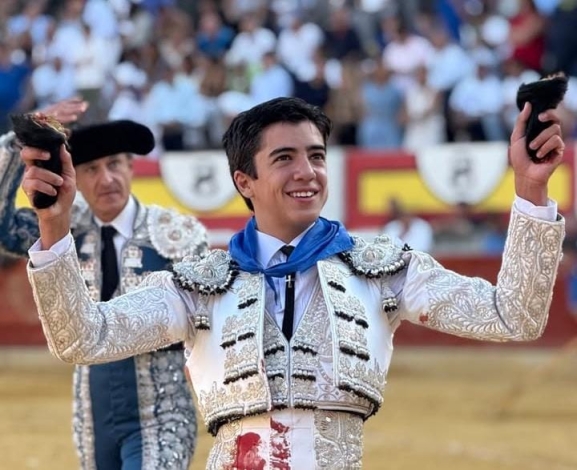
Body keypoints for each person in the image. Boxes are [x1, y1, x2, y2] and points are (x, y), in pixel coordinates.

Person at [20, 97, 565, 468]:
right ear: (245, 181)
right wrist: (54, 225)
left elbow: (513, 315)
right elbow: (82, 339)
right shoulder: (198, 285)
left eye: (316, 156)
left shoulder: (382, 271)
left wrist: (530, 192)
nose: (307, 171)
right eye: (284, 158)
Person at [0, 102, 208, 470]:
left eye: (114, 164)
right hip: (93, 417)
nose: (106, 178)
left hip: (163, 415)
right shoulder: (63, 227)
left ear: (131, 167)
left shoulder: (177, 234)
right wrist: (20, 142)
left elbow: (205, 320)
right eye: (92, 169)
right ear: (75, 177)